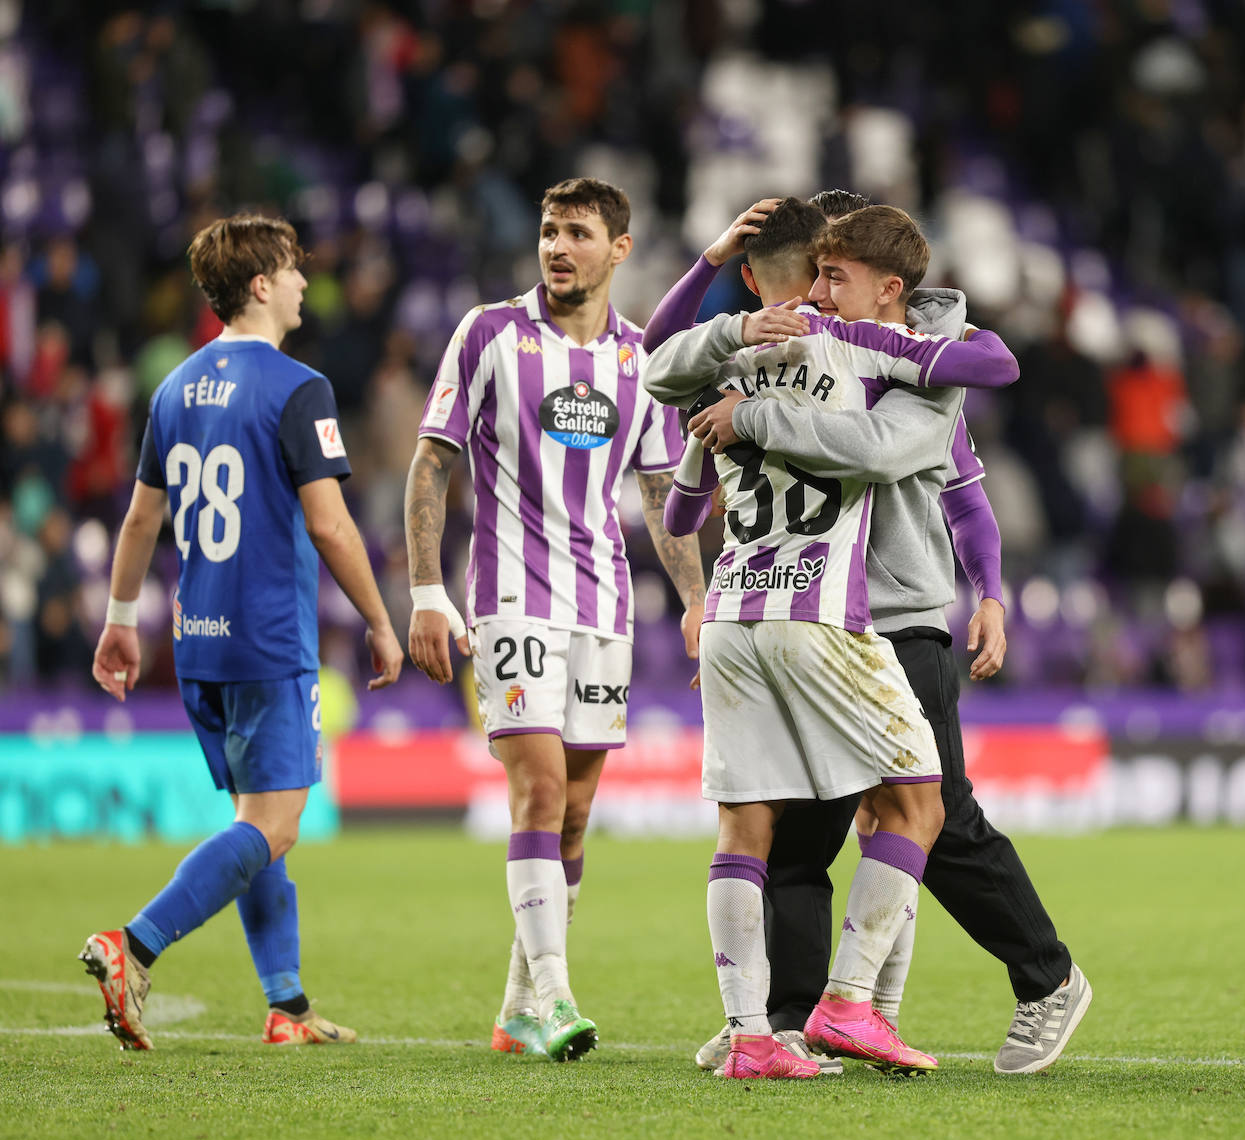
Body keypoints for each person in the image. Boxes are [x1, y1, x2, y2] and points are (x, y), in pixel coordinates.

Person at [674, 192, 1092, 1075]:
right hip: (809, 612)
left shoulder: (934, 369)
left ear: (887, 287)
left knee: (940, 821)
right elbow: (661, 369)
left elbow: (946, 479)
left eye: (834, 276)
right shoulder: (822, 348)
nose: (818, 292)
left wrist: (991, 593)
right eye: (814, 274)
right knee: (803, 834)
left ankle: (1047, 978)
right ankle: (787, 1020)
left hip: (897, 616)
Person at [81, 213, 404, 1050]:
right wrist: (379, 620)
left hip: (199, 640)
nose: (304, 283)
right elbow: (332, 526)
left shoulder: (173, 387)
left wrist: (120, 622)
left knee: (256, 818)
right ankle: (134, 944)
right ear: (261, 284)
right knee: (277, 823)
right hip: (268, 637)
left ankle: (286, 1005)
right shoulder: (300, 387)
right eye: (294, 269)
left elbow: (140, 519)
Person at [404, 177, 705, 1063]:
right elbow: (431, 464)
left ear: (620, 248)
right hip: (510, 597)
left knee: (573, 813)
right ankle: (557, 994)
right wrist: (427, 590)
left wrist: (695, 600)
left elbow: (659, 490)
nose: (557, 246)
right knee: (535, 788)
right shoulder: (490, 333)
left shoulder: (643, 357)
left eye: (578, 232)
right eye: (548, 230)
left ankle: (515, 1005)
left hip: (603, 602)